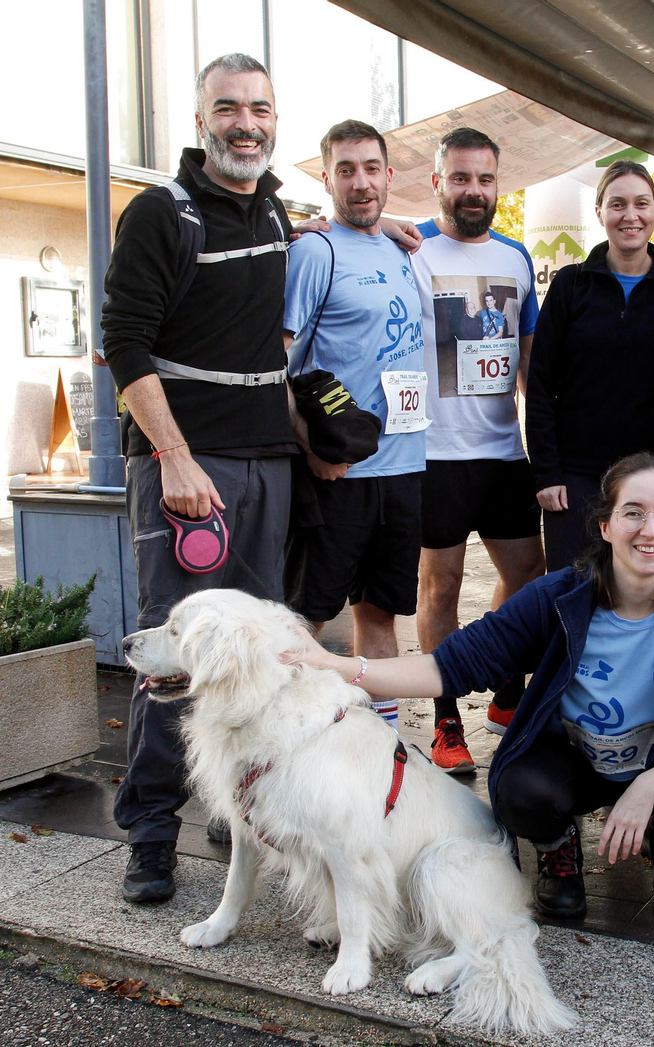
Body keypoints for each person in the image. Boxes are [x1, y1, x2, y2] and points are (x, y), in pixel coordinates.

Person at [284, 453, 654, 919]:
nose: (651, 529)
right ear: (605, 526)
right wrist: (336, 664)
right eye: (633, 512)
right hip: (574, 761)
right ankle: (557, 846)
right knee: (522, 793)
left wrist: (650, 785)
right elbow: (449, 667)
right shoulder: (557, 597)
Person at [102, 53, 298, 904]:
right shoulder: (160, 213)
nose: (244, 123)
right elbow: (123, 341)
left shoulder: (279, 212)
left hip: (267, 463)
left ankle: (235, 807)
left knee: (251, 654)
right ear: (200, 121)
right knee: (172, 653)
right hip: (187, 470)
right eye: (228, 107)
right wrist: (174, 457)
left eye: (259, 108)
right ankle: (151, 833)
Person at [282, 120, 427, 736]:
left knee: (380, 616)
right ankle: (279, 746)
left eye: (371, 169)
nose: (361, 182)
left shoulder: (401, 248)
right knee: (304, 621)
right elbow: (273, 365)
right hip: (339, 473)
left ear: (389, 176)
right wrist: (310, 448)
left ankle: (382, 745)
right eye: (346, 170)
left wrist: (389, 226)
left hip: (405, 466)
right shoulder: (315, 252)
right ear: (326, 179)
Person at [408, 126, 545, 767]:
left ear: (498, 185)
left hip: (503, 452)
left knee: (527, 573)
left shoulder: (516, 257)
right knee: (441, 588)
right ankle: (446, 721)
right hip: (436, 454)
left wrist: (541, 444)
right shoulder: (411, 248)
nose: (473, 190)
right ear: (438, 182)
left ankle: (506, 689)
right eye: (460, 178)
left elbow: (528, 358)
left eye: (484, 179)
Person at [526, 161, 654, 573]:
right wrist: (547, 473)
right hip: (575, 479)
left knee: (644, 591)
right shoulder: (571, 285)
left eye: (641, 204)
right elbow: (540, 385)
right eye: (618, 204)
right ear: (600, 213)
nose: (631, 215)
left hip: (653, 479)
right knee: (573, 591)